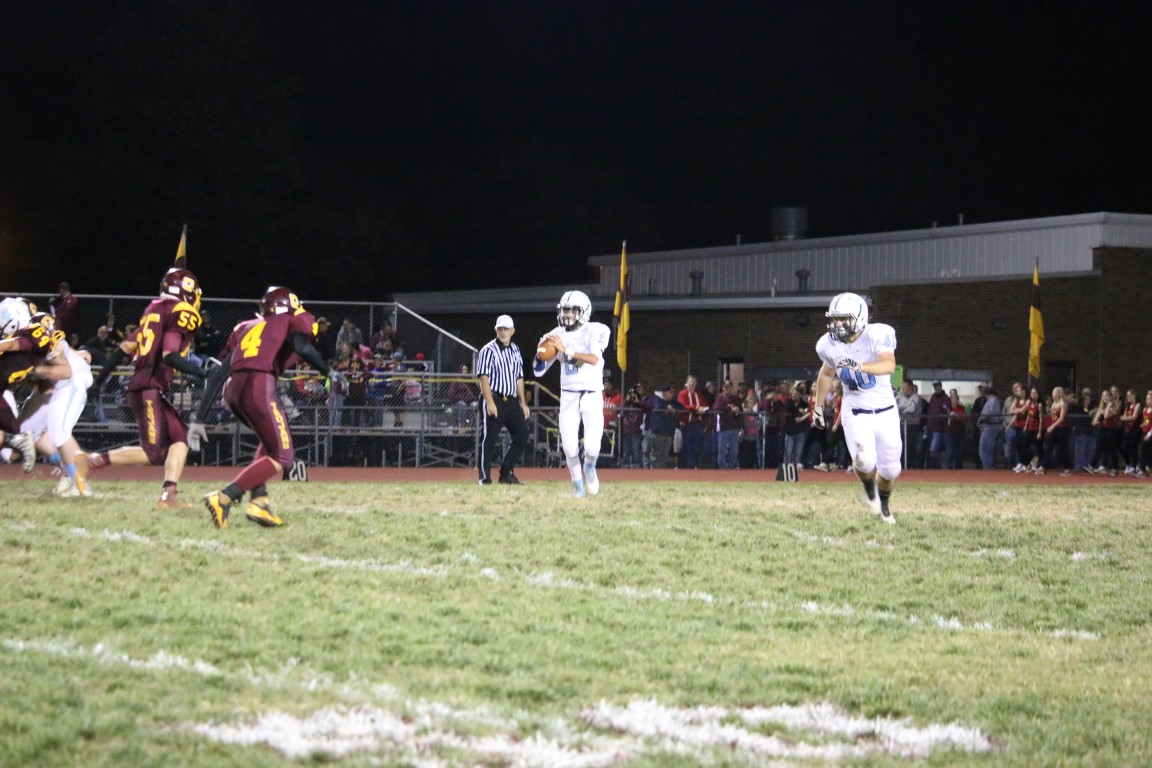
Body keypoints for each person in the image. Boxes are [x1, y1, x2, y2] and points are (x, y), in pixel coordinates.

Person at [192, 286, 343, 528]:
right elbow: (303, 347)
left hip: (233, 390)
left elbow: (220, 373)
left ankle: (259, 502)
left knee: (270, 440)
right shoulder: (294, 319)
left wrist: (199, 417)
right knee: (283, 455)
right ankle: (224, 497)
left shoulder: (249, 327)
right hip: (258, 384)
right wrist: (329, 372)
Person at [87, 268, 206, 509]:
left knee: (180, 438)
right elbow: (170, 354)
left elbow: (122, 349)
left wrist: (98, 382)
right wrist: (201, 371)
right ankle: (91, 461)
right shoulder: (181, 312)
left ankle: (169, 494)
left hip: (145, 386)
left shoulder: (154, 310)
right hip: (149, 387)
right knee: (152, 453)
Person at [812, 292, 901, 523]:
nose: (839, 324)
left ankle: (883, 502)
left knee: (890, 470)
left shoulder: (877, 334)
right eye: (835, 319)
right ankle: (868, 485)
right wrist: (818, 407)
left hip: (885, 410)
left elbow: (888, 365)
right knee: (864, 461)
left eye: (844, 319)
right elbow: (826, 374)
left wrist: (859, 365)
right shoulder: (828, 344)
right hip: (855, 411)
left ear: (860, 317)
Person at [532, 290, 610, 496]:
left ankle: (590, 466)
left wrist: (565, 350)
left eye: (573, 311)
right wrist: (540, 353)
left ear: (584, 312)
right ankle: (577, 485)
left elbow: (593, 359)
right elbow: (538, 371)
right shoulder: (556, 334)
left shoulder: (595, 330)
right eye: (565, 311)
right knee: (568, 446)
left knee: (592, 447)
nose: (567, 315)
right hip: (568, 395)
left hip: (592, 393)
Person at [19, 313, 94, 496]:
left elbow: (65, 371)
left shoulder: (42, 339)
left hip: (71, 381)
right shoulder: (23, 337)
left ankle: (81, 485)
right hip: (52, 383)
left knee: (59, 432)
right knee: (26, 432)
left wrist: (35, 371)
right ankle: (68, 472)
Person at [476, 314, 530, 485]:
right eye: (500, 329)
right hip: (495, 397)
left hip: (511, 400)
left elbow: (519, 377)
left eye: (506, 329)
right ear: (496, 330)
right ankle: (484, 478)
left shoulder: (515, 349)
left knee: (522, 435)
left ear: (512, 331)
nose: (503, 332)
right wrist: (489, 401)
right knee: (489, 439)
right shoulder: (488, 350)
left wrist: (522, 402)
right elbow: (483, 377)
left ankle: (506, 473)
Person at [0, 297, 49, 470]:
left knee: (9, 446)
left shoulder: (30, 337)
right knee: (9, 441)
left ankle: (15, 439)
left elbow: (11, 344)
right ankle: (15, 439)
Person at [642, 384, 679, 469]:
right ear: (664, 393)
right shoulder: (656, 400)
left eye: (672, 393)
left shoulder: (672, 402)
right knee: (656, 456)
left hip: (668, 433)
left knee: (664, 456)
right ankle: (654, 474)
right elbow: (656, 406)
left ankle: (661, 474)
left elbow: (681, 407)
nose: (672, 394)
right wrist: (666, 408)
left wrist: (672, 409)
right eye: (670, 392)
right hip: (657, 433)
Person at [676, 375, 707, 468]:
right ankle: (689, 468)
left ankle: (695, 467)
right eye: (690, 382)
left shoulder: (698, 395)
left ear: (696, 384)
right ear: (687, 383)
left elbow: (705, 405)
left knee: (697, 448)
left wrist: (704, 409)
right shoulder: (682, 394)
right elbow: (683, 405)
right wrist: (696, 408)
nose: (692, 384)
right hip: (687, 425)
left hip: (698, 425)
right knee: (688, 448)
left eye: (694, 382)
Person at [895, 380, 924, 468]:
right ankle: (902, 466)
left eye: (905, 386)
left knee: (911, 447)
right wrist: (905, 407)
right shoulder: (900, 396)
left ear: (911, 387)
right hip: (901, 424)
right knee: (900, 447)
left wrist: (902, 408)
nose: (904, 388)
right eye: (903, 386)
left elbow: (912, 409)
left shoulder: (916, 397)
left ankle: (912, 467)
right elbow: (895, 408)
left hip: (913, 425)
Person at [976, 385, 1002, 471]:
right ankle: (989, 468)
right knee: (988, 450)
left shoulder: (992, 401)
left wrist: (980, 420)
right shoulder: (996, 400)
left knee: (984, 450)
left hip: (989, 427)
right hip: (992, 427)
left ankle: (988, 469)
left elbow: (989, 413)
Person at [925, 380, 950, 468]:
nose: (936, 388)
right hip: (931, 427)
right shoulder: (933, 397)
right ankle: (935, 468)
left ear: (940, 386)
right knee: (932, 450)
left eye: (937, 386)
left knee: (934, 450)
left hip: (940, 429)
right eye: (934, 386)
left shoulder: (945, 398)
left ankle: (937, 468)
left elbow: (946, 412)